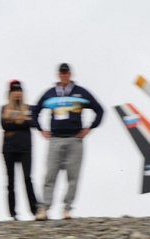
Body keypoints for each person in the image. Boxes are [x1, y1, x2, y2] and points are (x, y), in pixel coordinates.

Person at [33, 63, 104, 220]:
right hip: (55, 139)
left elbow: (99, 110)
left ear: (70, 74)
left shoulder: (80, 93)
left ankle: (67, 208)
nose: (64, 75)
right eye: (62, 73)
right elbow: (35, 111)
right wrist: (40, 129)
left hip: (75, 139)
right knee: (50, 175)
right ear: (58, 75)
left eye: (66, 73)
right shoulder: (50, 93)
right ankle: (44, 208)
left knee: (73, 176)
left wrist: (89, 128)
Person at [0, 80, 38, 220]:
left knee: (27, 178)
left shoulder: (29, 108)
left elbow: (32, 122)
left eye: (19, 91)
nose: (17, 94)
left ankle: (34, 210)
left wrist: (14, 119)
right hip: (9, 148)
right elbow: (4, 125)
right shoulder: (3, 108)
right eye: (14, 91)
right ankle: (13, 213)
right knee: (11, 181)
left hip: (25, 148)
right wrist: (21, 119)